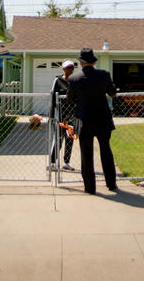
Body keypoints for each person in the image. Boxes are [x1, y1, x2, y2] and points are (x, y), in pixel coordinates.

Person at [67, 48, 118, 194]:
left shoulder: (74, 79)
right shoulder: (104, 75)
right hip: (103, 118)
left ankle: (90, 188)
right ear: (94, 62)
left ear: (81, 62)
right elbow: (112, 93)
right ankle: (111, 184)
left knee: (86, 153)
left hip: (83, 119)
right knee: (106, 150)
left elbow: (70, 99)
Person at [49, 60, 76, 170]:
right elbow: (52, 97)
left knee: (70, 138)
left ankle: (66, 162)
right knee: (58, 139)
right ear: (63, 69)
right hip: (60, 114)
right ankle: (52, 162)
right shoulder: (58, 80)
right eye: (67, 68)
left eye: (71, 68)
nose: (69, 70)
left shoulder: (75, 81)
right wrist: (51, 115)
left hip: (73, 115)